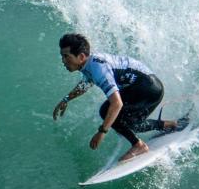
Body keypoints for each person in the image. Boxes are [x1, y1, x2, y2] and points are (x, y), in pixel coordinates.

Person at [54, 33, 184, 162]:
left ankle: (138, 146)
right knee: (131, 125)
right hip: (147, 87)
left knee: (107, 111)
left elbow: (117, 104)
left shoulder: (97, 68)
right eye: (62, 56)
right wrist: (66, 99)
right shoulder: (89, 65)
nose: (63, 60)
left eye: (66, 56)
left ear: (81, 56)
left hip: (148, 88)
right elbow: (84, 85)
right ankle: (170, 125)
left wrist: (102, 132)